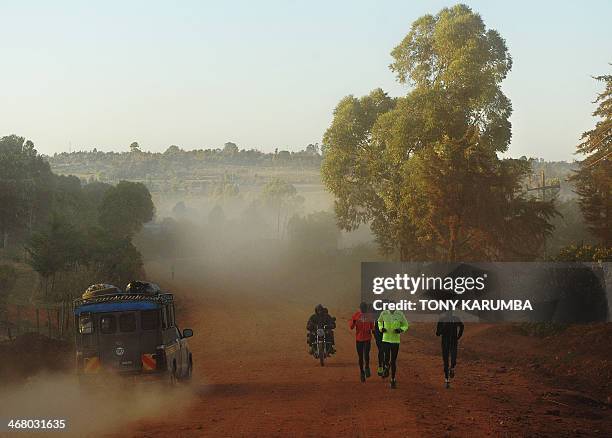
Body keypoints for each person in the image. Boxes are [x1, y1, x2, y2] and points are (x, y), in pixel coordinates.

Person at [377, 305, 409, 388]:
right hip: (386, 339)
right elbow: (379, 321)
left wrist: (401, 329)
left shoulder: (400, 314)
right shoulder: (384, 313)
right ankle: (387, 368)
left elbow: (406, 324)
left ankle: (393, 380)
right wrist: (381, 328)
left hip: (395, 341)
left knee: (393, 361)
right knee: (386, 358)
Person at [436, 310, 464, 388]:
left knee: (453, 360)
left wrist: (459, 336)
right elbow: (437, 333)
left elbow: (462, 326)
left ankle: (451, 369)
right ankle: (447, 380)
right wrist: (443, 329)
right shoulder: (442, 320)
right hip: (446, 342)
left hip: (452, 341)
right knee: (446, 361)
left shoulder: (455, 319)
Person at [349, 302, 375, 382]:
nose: (363, 309)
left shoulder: (369, 316)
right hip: (359, 339)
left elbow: (372, 327)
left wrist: (374, 332)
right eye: (362, 308)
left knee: (366, 355)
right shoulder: (356, 315)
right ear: (360, 308)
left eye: (364, 308)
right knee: (360, 357)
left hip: (367, 338)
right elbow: (351, 327)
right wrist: (353, 321)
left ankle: (366, 366)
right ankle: (362, 372)